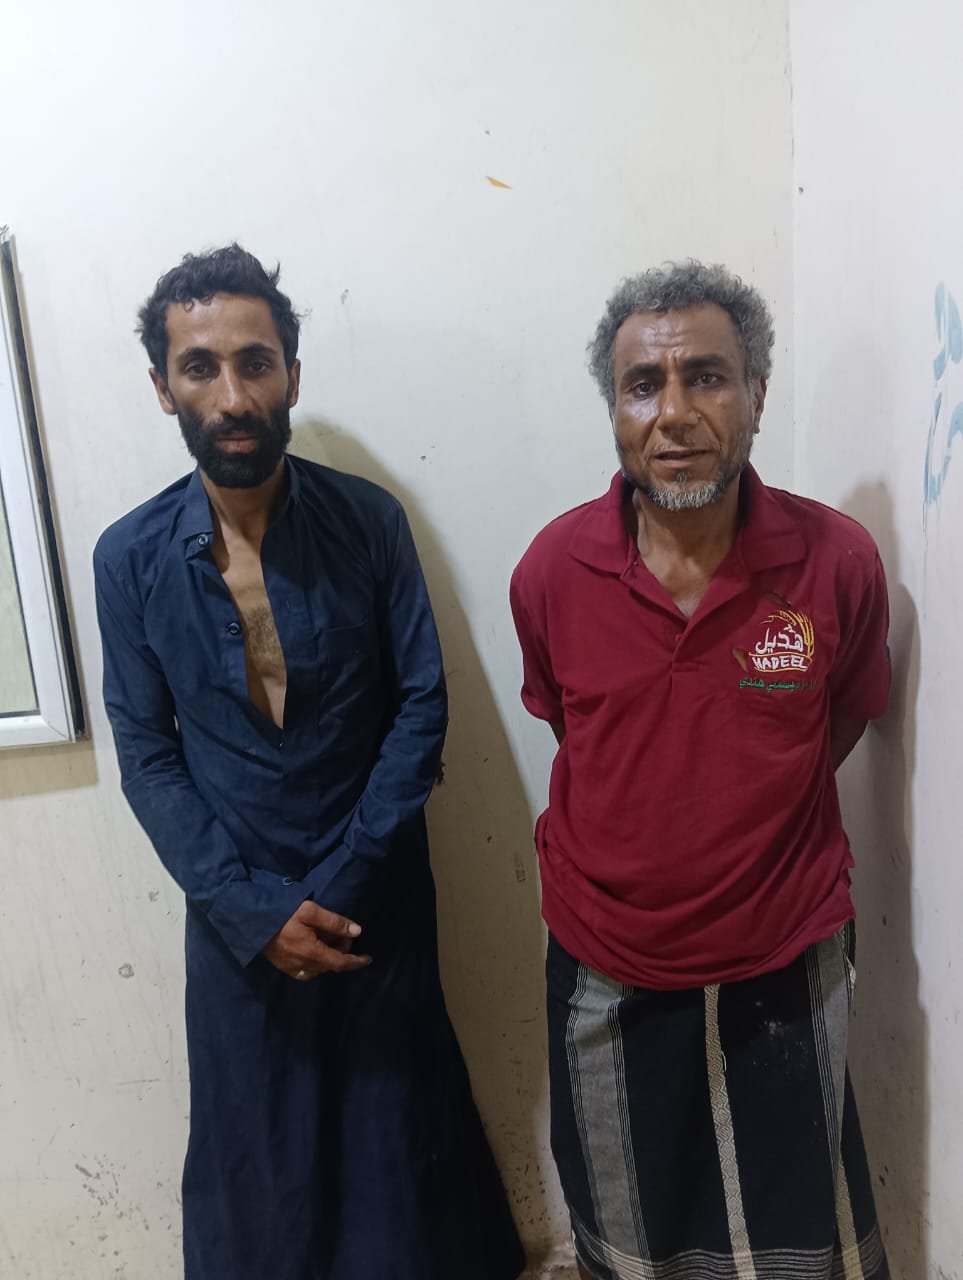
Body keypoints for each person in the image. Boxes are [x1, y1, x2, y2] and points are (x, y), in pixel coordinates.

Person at [94, 244, 524, 1280]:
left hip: (375, 899)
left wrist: (343, 881)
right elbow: (147, 754)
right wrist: (253, 909)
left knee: (398, 1159)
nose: (232, 396)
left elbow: (421, 704)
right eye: (200, 367)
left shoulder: (370, 521)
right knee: (260, 1165)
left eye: (256, 362)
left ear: (292, 373)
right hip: (236, 916)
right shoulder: (129, 556)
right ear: (163, 387)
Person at [510, 261, 891, 1280]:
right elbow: (574, 731)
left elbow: (845, 712)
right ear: (615, 408)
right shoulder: (551, 571)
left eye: (707, 377)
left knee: (797, 1231)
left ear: (756, 394)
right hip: (605, 957)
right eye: (643, 385)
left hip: (786, 948)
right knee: (635, 1236)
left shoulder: (837, 561)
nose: (673, 413)